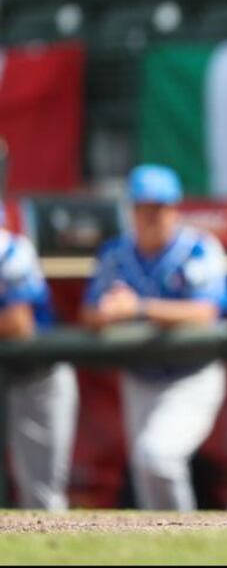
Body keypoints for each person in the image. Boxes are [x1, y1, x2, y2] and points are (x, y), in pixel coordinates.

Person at [82, 165, 227, 511]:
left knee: (158, 457)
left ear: (175, 208)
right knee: (145, 469)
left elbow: (206, 312)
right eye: (144, 208)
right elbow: (89, 313)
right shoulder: (116, 253)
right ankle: (163, 551)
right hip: (140, 377)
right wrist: (106, 310)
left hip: (192, 374)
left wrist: (138, 307)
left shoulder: (198, 248)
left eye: (160, 207)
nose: (153, 216)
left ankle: (185, 541)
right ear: (132, 210)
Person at [0, 204, 78, 510]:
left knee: (41, 494)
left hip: (37, 378)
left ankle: (52, 556)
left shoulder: (13, 252)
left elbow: (19, 324)